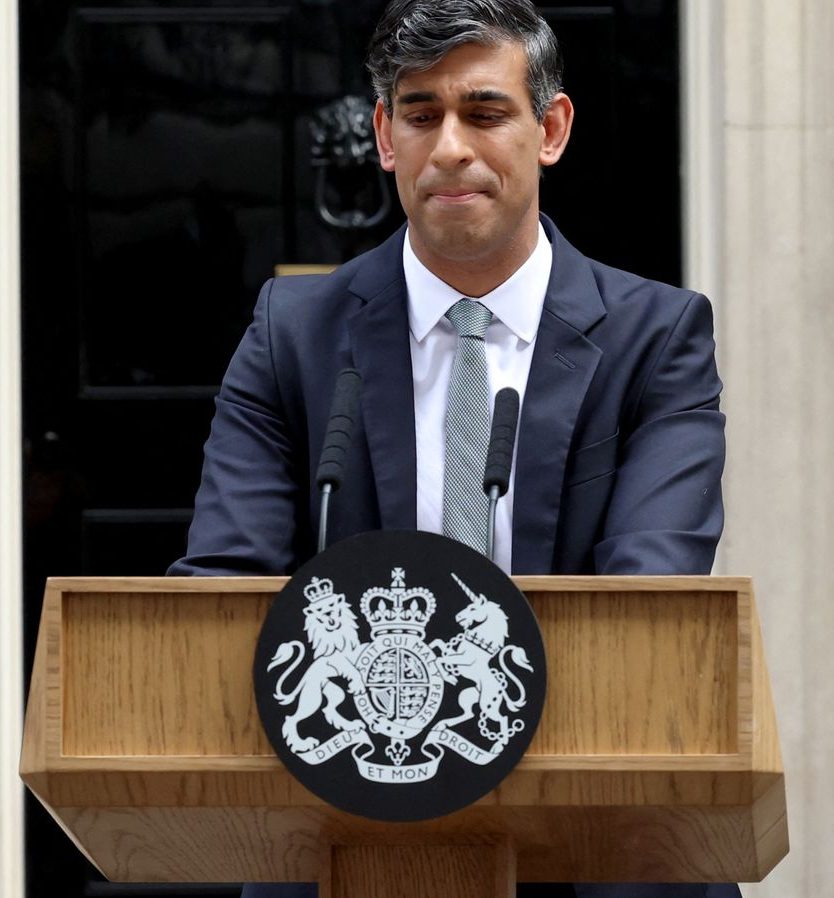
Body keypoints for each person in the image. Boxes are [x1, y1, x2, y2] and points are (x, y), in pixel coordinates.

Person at [170, 2, 734, 896]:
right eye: (421, 114)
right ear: (385, 137)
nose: (451, 148)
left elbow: (647, 610)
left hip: (595, 845)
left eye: (484, 112)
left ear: (549, 128)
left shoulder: (656, 340)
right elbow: (222, 591)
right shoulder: (296, 334)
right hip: (336, 840)